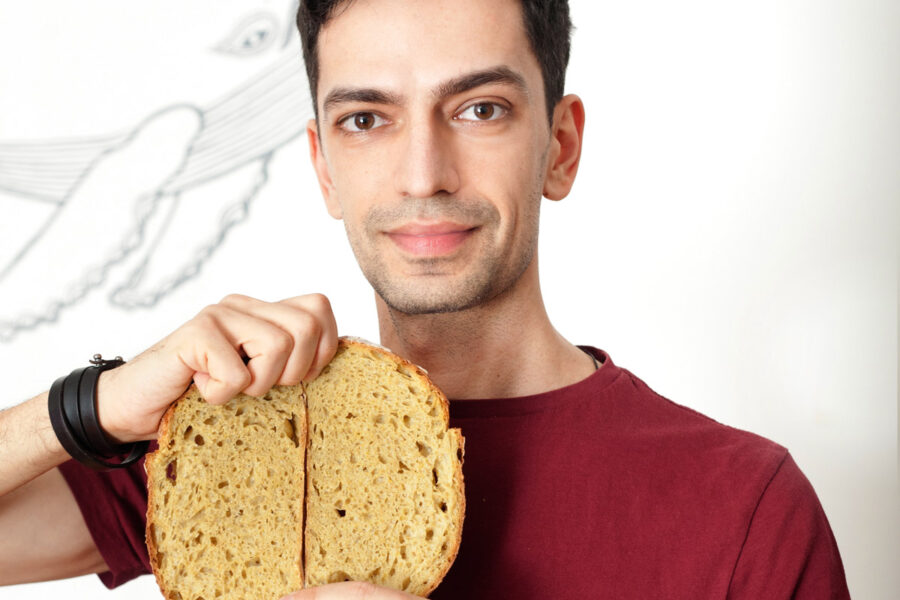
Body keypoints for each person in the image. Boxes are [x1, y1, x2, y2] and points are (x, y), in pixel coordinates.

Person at [0, 0, 851, 598]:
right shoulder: (235, 439)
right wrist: (98, 401)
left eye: (479, 109)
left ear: (559, 147)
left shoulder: (744, 503)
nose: (422, 176)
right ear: (323, 166)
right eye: (367, 120)